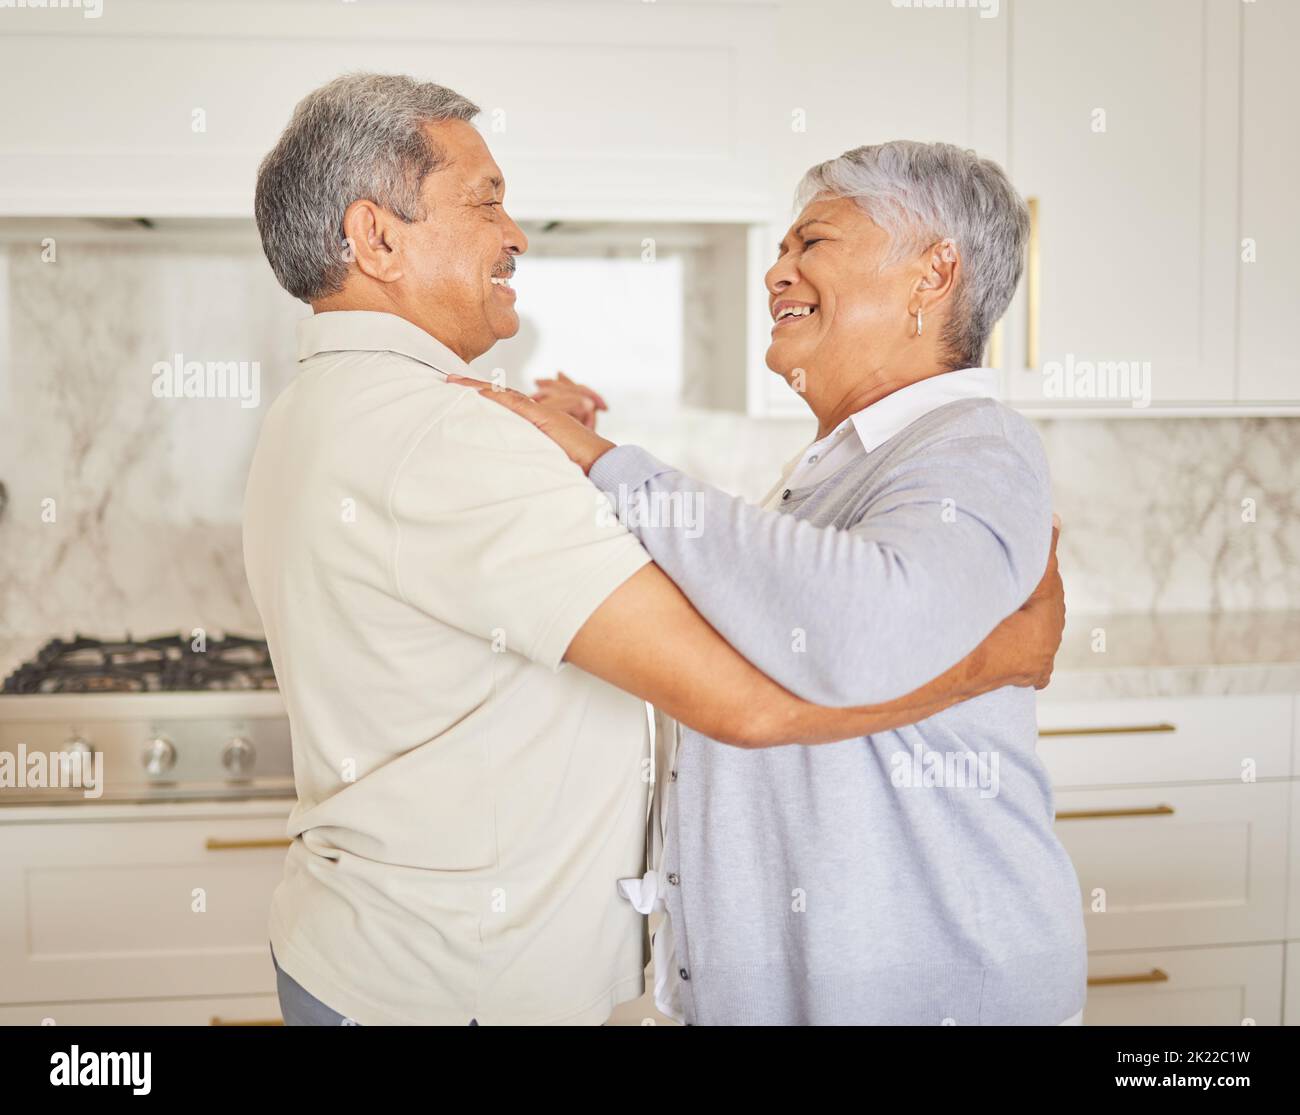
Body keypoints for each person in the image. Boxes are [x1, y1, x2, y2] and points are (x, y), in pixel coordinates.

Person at [244, 75, 1066, 1026]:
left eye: (813, 242)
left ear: (933, 273)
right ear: (377, 238)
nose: (515, 233)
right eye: (487, 201)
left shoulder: (332, 406)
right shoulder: (452, 434)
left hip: (390, 968)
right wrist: (997, 662)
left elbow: (824, 621)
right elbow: (747, 700)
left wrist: (588, 467)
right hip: (449, 990)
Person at [468, 141, 1088, 1025]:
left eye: (814, 243)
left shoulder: (977, 445)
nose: (776, 272)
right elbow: (764, 620)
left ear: (932, 274)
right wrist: (592, 469)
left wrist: (612, 467)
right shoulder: (847, 462)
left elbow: (863, 628)